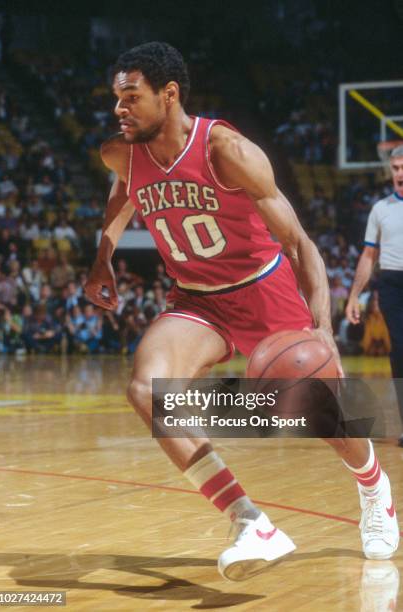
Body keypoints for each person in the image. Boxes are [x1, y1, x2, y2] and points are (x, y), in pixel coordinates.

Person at [85, 42, 399, 580]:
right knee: (146, 389)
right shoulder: (121, 152)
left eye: (131, 97)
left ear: (169, 94)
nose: (120, 108)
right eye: (117, 98)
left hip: (262, 291)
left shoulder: (225, 149)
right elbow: (123, 194)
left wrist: (323, 332)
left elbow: (300, 244)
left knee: (321, 416)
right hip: (195, 297)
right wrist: (103, 258)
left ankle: (373, 484)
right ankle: (251, 521)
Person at [346, 145, 403, 447]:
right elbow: (369, 255)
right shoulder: (381, 209)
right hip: (392, 282)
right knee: (400, 352)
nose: (399, 173)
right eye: (395, 168)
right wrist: (355, 295)